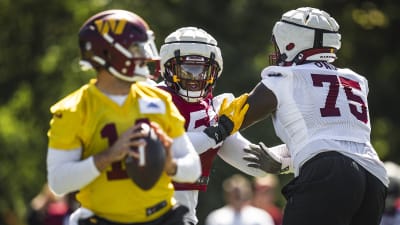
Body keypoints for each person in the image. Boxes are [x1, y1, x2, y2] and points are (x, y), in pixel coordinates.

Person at [221, 7, 389, 225]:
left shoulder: (285, 76)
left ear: (290, 43)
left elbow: (231, 120)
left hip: (328, 174)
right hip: (374, 177)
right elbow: (334, 141)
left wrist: (212, 113)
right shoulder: (356, 80)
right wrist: (284, 163)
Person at [46, 9, 202, 225]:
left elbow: (193, 168)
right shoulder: (73, 109)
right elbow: (58, 182)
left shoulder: (159, 100)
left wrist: (170, 165)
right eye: (136, 47)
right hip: (102, 220)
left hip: (162, 217)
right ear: (109, 53)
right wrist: (108, 155)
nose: (146, 55)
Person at [157, 26, 268, 225]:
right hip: (144, 208)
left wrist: (298, 155)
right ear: (167, 67)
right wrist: (214, 134)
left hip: (183, 214)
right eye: (187, 69)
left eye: (202, 70)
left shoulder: (214, 108)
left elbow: (252, 162)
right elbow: (167, 147)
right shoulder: (151, 97)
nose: (195, 78)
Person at [205, 174, 275, 225]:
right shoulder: (216, 217)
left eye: (240, 192)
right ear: (227, 194)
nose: (238, 195)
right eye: (234, 193)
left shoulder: (262, 216)